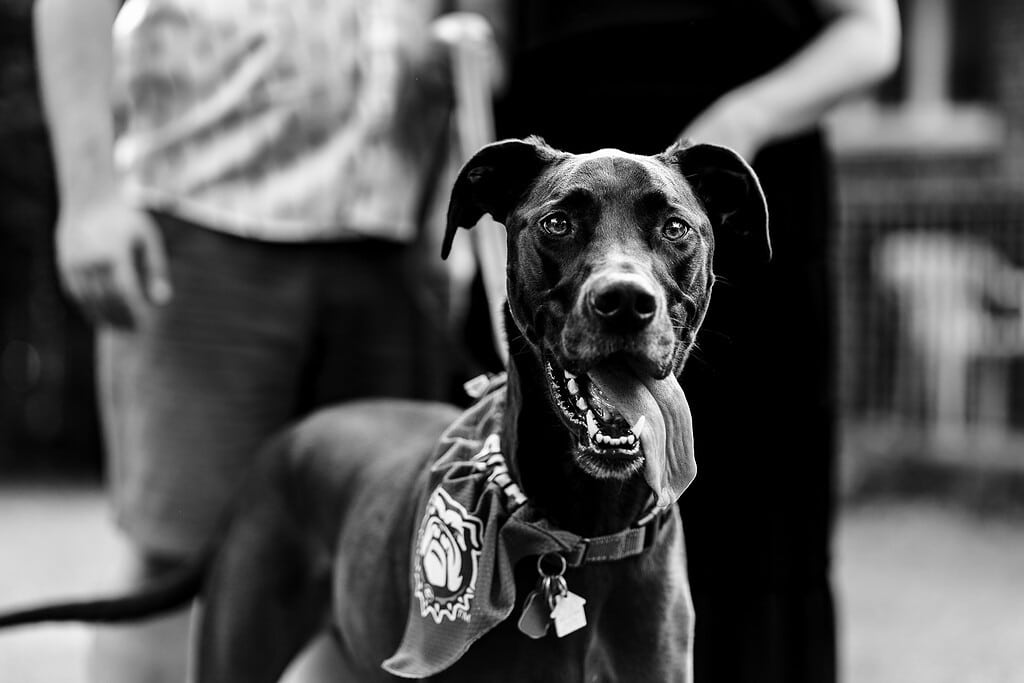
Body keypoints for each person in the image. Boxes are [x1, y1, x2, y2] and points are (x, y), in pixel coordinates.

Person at [467, 0, 900, 681]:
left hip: (735, 202)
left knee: (755, 539)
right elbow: (486, 37)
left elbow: (872, 34)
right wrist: (470, 54)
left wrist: (741, 121)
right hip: (549, 213)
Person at [33, 0, 462, 680]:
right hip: (203, 216)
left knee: (368, 554)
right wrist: (89, 198)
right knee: (174, 557)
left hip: (389, 239)